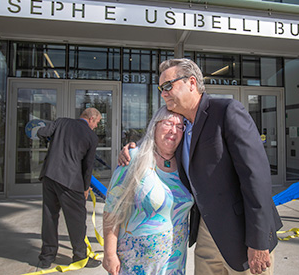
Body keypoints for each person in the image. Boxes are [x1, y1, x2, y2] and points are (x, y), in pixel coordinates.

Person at [119, 58, 283, 275]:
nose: (163, 93)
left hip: (243, 234)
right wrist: (134, 150)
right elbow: (160, 147)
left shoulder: (226, 111)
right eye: (160, 88)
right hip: (206, 234)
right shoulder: (180, 125)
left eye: (168, 86)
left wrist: (259, 241)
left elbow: (256, 177)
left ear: (192, 83)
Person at [103, 106, 194, 275]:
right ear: (155, 126)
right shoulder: (134, 158)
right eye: (168, 123)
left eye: (180, 126)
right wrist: (109, 253)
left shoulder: (185, 163)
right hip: (135, 265)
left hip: (173, 265)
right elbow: (112, 209)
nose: (173, 130)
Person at [37, 107, 102, 269]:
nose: (96, 127)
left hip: (50, 176)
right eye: (97, 123)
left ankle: (46, 257)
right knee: (77, 220)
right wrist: (86, 188)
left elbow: (41, 133)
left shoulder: (61, 122)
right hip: (71, 182)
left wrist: (52, 141)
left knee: (49, 216)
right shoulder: (91, 137)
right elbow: (88, 167)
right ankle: (80, 256)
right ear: (91, 119)